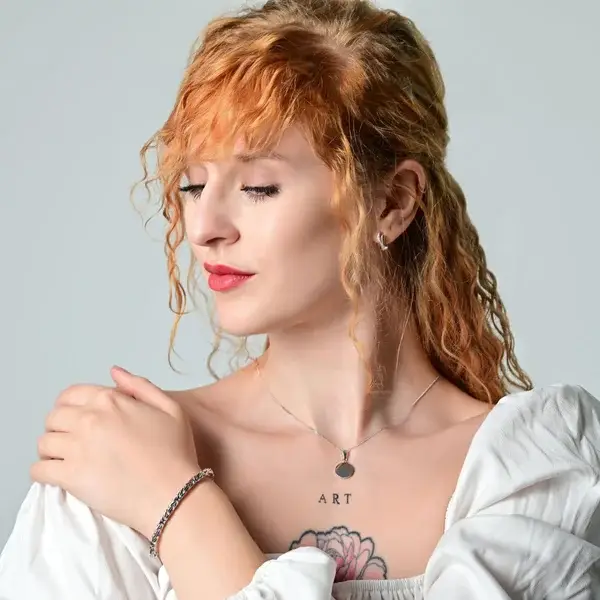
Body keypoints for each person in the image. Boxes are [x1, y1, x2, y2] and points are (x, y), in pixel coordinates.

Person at [1, 0, 599, 598]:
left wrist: (178, 510)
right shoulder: (117, 459)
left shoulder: (536, 476)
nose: (204, 227)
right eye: (193, 184)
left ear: (392, 202)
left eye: (259, 187)